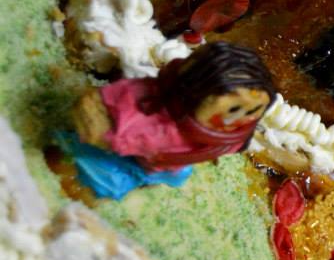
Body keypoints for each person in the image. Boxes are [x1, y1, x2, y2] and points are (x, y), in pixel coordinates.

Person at [63, 42, 276, 199]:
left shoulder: (229, 138)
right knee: (103, 178)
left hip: (165, 167)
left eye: (252, 112)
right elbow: (110, 115)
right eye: (234, 108)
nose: (240, 119)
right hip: (125, 157)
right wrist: (110, 135)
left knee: (175, 175)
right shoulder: (148, 105)